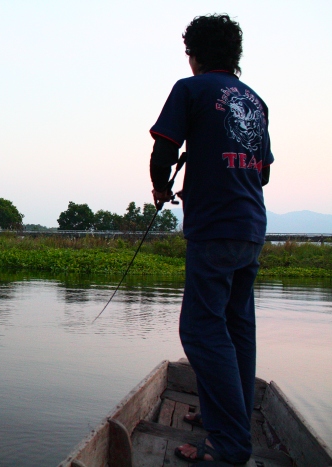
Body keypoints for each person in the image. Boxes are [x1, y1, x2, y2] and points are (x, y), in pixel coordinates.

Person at [149, 14, 273, 464]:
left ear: (194, 55)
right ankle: (226, 417)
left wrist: (162, 188)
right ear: (234, 56)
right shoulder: (256, 102)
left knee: (200, 330)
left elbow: (163, 150)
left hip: (215, 229)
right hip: (250, 228)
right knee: (237, 330)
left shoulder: (191, 88)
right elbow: (262, 172)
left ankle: (229, 444)